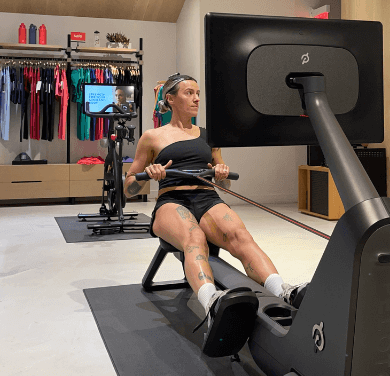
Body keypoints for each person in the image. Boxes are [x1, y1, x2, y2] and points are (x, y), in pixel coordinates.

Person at [123, 74, 306, 337]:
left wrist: (221, 173)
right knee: (194, 237)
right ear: (170, 99)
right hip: (171, 200)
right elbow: (129, 188)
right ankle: (212, 303)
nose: (196, 98)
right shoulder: (152, 137)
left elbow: (224, 187)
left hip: (207, 198)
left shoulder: (210, 136)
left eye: (198, 93)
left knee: (240, 236)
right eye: (188, 93)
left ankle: (284, 290)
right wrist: (149, 175)